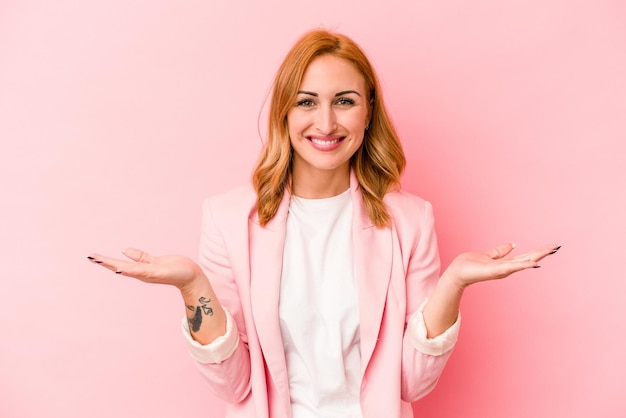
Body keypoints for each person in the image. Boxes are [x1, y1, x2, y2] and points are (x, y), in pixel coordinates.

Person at [88, 29, 559, 418]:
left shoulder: (411, 221)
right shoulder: (228, 218)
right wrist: (192, 285)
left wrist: (454, 283)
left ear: (369, 108)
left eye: (345, 101)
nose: (326, 122)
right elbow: (234, 387)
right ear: (285, 111)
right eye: (307, 102)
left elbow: (411, 384)